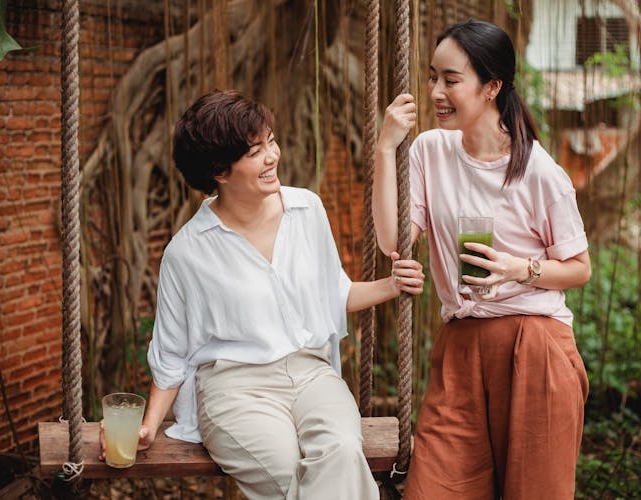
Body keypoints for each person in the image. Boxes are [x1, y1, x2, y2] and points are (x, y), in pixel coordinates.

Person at [100, 89, 425, 500]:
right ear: (220, 171)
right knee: (288, 474)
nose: (272, 156)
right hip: (235, 389)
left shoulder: (307, 210)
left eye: (270, 141)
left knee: (342, 451)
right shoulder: (188, 251)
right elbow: (172, 354)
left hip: (312, 375)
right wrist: (148, 425)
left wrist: (392, 285)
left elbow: (332, 294)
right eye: (255, 151)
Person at [373, 20, 591, 500]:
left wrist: (520, 269)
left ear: (492, 86)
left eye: (451, 80)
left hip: (534, 346)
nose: (436, 91)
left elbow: (579, 268)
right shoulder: (430, 150)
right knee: (432, 490)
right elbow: (393, 238)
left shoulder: (539, 172)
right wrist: (386, 147)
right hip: (460, 347)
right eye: (432, 78)